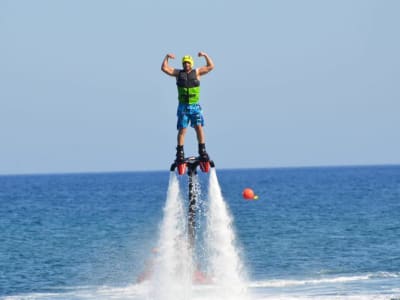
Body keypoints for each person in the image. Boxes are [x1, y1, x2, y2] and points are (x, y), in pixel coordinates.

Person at [161, 52, 215, 164]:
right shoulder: (178, 73)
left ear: (191, 64)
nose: (186, 65)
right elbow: (164, 68)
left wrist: (205, 55)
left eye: (188, 63)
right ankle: (180, 153)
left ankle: (202, 150)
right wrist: (167, 57)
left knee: (199, 127)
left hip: (195, 106)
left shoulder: (198, 72)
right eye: (184, 63)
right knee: (182, 129)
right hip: (183, 107)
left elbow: (211, 66)